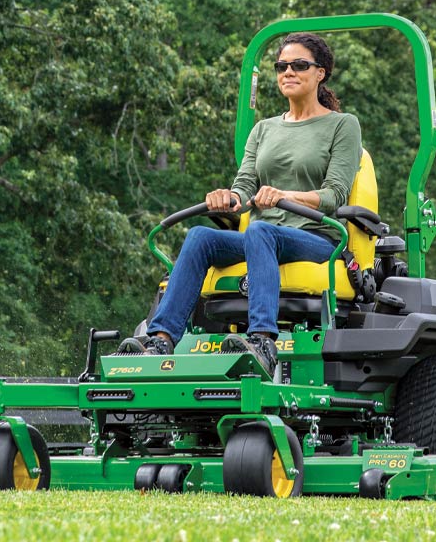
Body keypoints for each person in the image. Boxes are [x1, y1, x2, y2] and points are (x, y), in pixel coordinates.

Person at [116, 32, 362, 376]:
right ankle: (161, 338)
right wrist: (227, 198)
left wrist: (284, 196)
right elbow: (244, 189)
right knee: (201, 237)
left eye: (299, 65)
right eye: (281, 66)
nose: (288, 72)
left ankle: (262, 339)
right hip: (263, 238)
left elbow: (333, 195)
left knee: (261, 230)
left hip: (315, 238)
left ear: (320, 73)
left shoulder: (342, 125)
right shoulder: (263, 129)